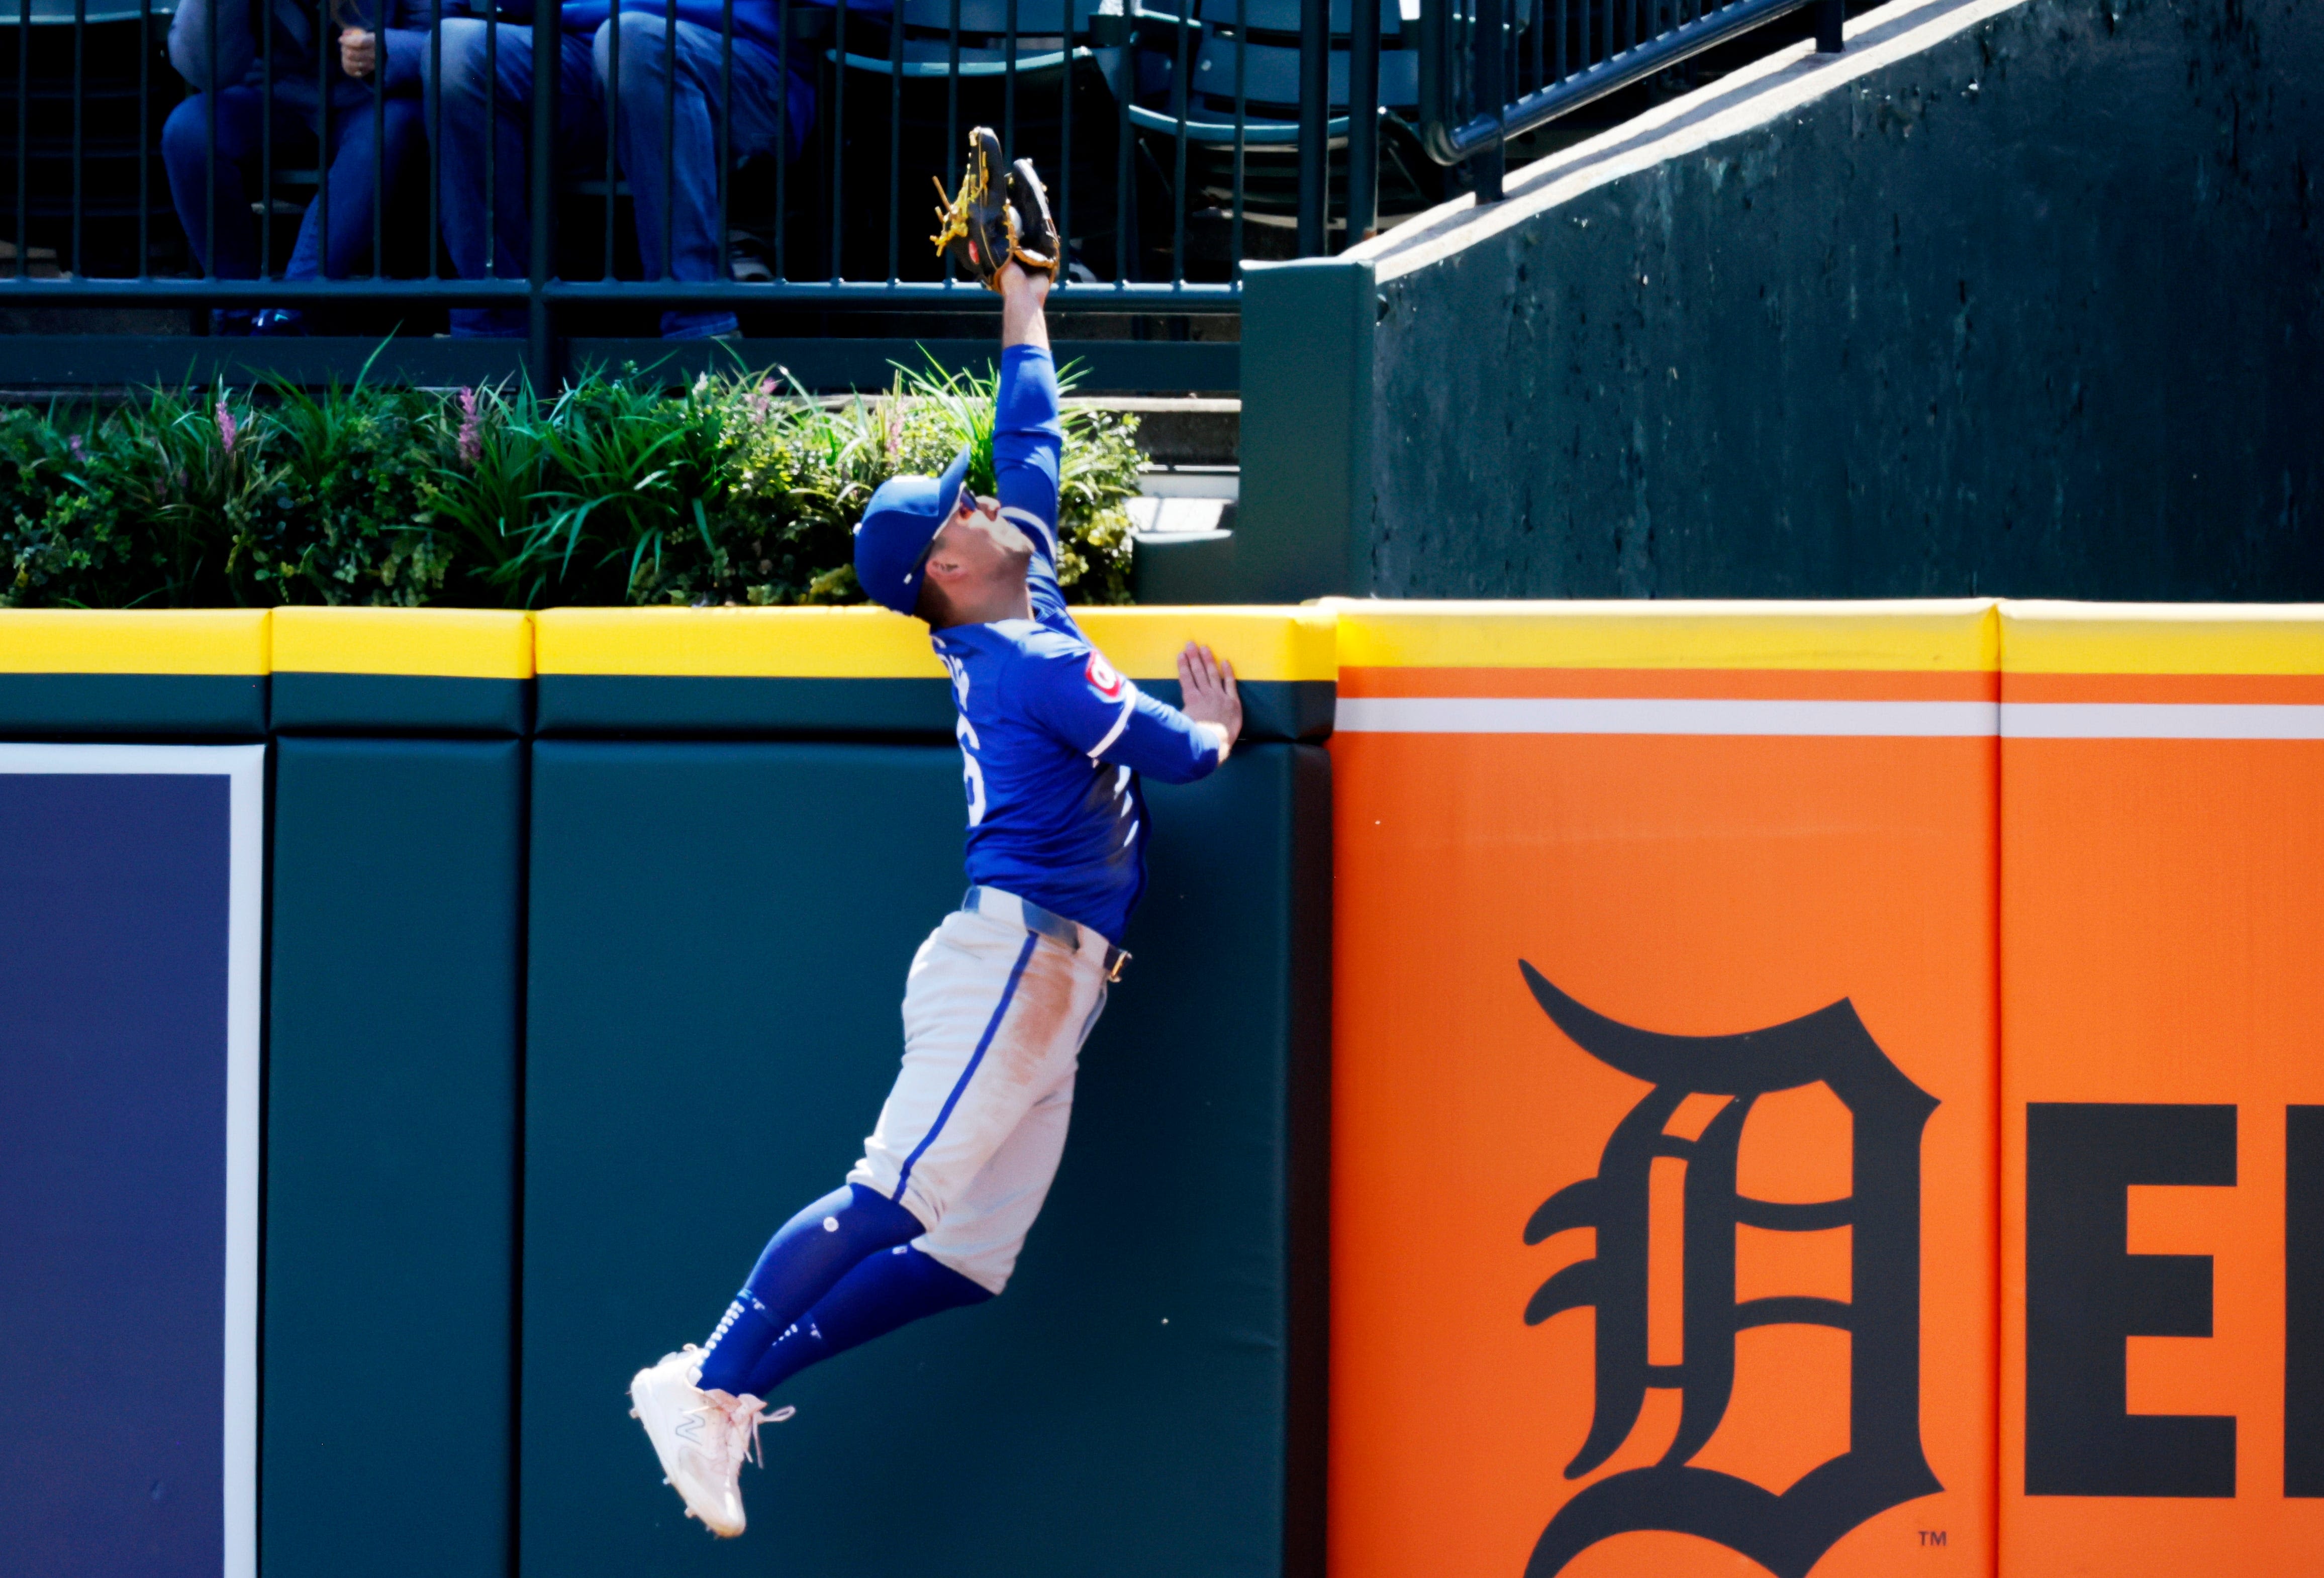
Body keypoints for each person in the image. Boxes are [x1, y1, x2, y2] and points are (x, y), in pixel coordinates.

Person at [625, 226, 1243, 1539]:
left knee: (965, 1257)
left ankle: (725, 1388)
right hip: (1015, 967)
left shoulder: (1018, 609)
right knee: (888, 1194)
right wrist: (1223, 734)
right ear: (948, 574)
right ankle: (709, 1375)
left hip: (1052, 980)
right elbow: (1175, 754)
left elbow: (1033, 444)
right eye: (959, 512)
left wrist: (1023, 303)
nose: (984, 505)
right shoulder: (1026, 660)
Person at [425, 0, 812, 340]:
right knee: (456, 47)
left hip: (741, 61)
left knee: (633, 38)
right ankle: (495, 338)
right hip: (588, 50)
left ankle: (701, 333)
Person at [164, 0, 428, 334]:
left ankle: (289, 315)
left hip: (375, 100)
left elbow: (444, 41)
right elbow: (204, 69)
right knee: (190, 130)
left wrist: (386, 49)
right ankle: (236, 316)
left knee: (390, 126)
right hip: (272, 96)